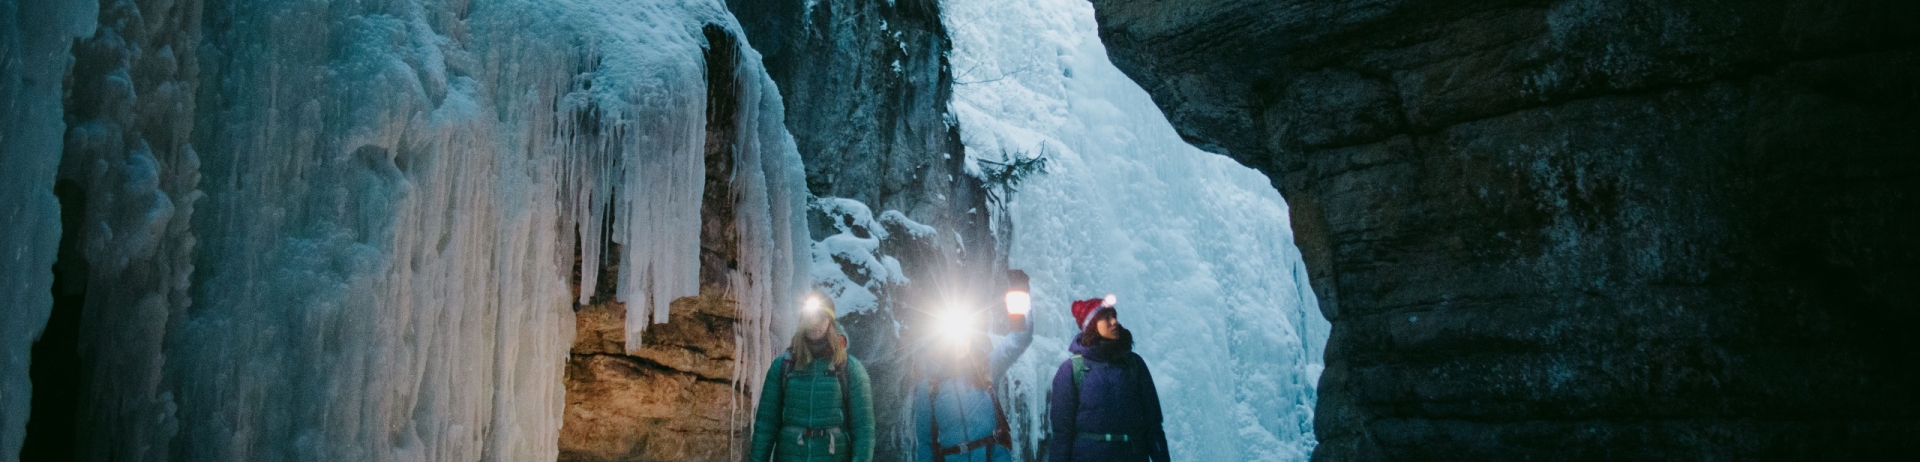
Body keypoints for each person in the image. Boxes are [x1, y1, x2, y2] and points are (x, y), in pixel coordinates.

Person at [911, 271, 1035, 462]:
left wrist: (1020, 294)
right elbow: (925, 443)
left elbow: (1019, 339)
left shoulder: (987, 366)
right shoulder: (929, 388)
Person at [751, 295, 876, 462]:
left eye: (821, 318)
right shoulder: (783, 366)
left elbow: (864, 430)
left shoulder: (849, 369)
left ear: (830, 322)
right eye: (809, 317)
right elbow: (766, 425)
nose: (814, 323)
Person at [1047, 295, 1169, 462]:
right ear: (1091, 325)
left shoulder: (1134, 365)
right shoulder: (1071, 370)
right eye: (1106, 318)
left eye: (1114, 316)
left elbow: (1153, 425)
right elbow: (1062, 433)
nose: (1114, 322)